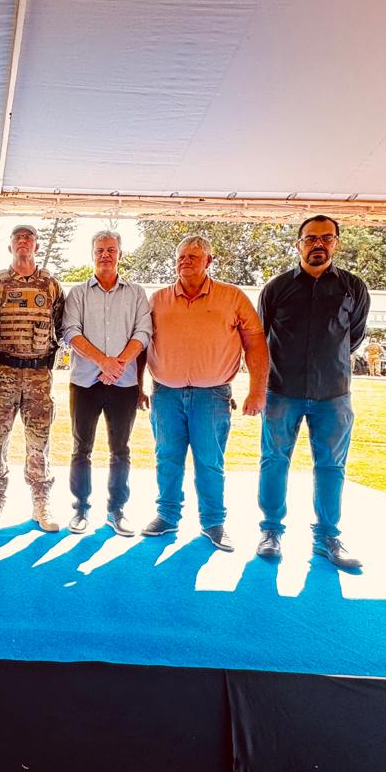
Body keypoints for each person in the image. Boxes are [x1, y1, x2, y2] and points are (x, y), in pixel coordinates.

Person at [139, 235, 267, 552]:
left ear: (209, 261)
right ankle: (167, 516)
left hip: (212, 396)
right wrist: (137, 387)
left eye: (193, 257)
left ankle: (213, 523)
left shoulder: (232, 297)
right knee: (166, 459)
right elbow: (140, 344)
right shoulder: (157, 300)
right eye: (181, 256)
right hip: (165, 395)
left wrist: (257, 391)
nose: (185, 261)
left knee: (210, 462)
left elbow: (255, 343)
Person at [256, 215, 370, 570]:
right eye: (310, 238)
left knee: (331, 466)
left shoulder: (353, 288)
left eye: (326, 238)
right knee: (274, 461)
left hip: (333, 394)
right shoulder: (277, 288)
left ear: (336, 243)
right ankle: (270, 531)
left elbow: (353, 336)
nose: (318, 244)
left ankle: (327, 537)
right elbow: (259, 337)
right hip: (281, 391)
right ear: (299, 245)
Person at [60, 231, 152, 535]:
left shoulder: (136, 293)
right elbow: (71, 332)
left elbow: (143, 333)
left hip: (123, 384)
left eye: (111, 250)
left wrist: (117, 364)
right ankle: (81, 508)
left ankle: (116, 509)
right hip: (85, 383)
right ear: (92, 254)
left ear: (120, 255)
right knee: (81, 448)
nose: (105, 255)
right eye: (100, 250)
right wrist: (103, 362)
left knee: (120, 449)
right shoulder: (78, 293)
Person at [0, 224, 64, 531]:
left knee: (39, 441)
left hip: (39, 375)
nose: (23, 242)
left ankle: (41, 502)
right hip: (3, 373)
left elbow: (61, 327)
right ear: (10, 246)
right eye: (17, 238)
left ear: (36, 246)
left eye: (29, 238)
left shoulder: (50, 285)